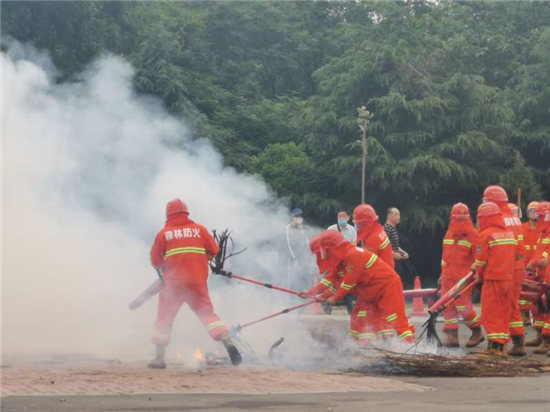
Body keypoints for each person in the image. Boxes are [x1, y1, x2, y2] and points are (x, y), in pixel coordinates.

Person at [148, 198, 241, 368]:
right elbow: (213, 251)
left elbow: (155, 260)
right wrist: (201, 259)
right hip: (197, 282)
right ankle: (227, 340)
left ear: (168, 215)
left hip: (173, 285)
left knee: (164, 317)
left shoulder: (164, 233)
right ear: (186, 213)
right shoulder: (200, 229)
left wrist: (163, 266)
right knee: (208, 315)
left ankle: (159, 359)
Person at [304, 230, 415, 346]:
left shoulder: (353, 255)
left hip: (386, 288)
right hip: (370, 293)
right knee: (360, 317)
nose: (323, 256)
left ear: (332, 249)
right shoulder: (341, 262)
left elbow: (348, 282)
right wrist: (312, 293)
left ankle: (411, 347)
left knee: (395, 318)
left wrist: (335, 299)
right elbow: (332, 282)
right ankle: (365, 347)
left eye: (325, 252)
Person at [482, 185, 527, 356]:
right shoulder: (514, 218)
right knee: (511, 304)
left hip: (500, 269)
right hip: (516, 268)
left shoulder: (496, 219)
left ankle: (497, 345)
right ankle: (518, 341)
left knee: (496, 307)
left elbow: (487, 247)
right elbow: (520, 248)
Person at [472, 201, 519, 356]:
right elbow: (517, 255)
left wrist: (478, 275)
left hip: (493, 279)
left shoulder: (485, 234)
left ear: (485, 218)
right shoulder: (509, 233)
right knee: (504, 312)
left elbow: (480, 261)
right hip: (508, 279)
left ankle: (494, 348)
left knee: (491, 313)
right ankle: (502, 346)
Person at [439, 203, 484, 348]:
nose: (459, 223)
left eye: (462, 219)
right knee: (447, 305)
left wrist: (478, 274)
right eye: (456, 219)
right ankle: (452, 337)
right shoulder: (449, 233)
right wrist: (442, 273)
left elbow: (479, 258)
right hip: (448, 276)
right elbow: (445, 257)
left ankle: (476, 331)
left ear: (468, 219)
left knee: (463, 307)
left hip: (463, 278)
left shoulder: (474, 235)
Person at [526, 201, 550, 355]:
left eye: (540, 216)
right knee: (538, 309)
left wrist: (534, 263)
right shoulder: (543, 233)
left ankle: (547, 342)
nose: (538, 218)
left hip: (547, 276)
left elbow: (545, 257)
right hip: (540, 276)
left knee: (547, 308)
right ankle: (540, 336)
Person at [286, 208, 315, 292]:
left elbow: (308, 243)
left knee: (306, 275)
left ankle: (306, 294)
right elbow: (288, 243)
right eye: (296, 216)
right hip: (293, 257)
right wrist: (294, 258)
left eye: (300, 216)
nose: (299, 218)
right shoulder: (289, 227)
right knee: (293, 277)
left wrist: (301, 231)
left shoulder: (303, 228)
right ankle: (291, 297)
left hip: (304, 256)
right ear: (292, 217)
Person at [521, 201, 540, 328]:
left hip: (540, 266)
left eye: (536, 211)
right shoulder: (522, 228)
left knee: (539, 293)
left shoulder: (544, 229)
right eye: (531, 210)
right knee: (523, 292)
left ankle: (539, 319)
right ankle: (524, 314)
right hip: (525, 266)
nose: (534, 213)